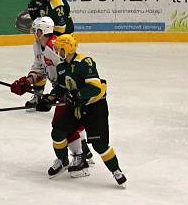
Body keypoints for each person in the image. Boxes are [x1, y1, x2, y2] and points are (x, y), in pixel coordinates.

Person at [36, 34, 126, 186]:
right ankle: (63, 160)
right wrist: (49, 99)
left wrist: (76, 94)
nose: (57, 51)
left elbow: (95, 87)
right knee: (57, 132)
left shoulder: (85, 62)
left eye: (60, 49)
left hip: (94, 107)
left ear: (68, 48)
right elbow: (61, 87)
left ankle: (116, 170)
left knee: (99, 145)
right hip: (76, 107)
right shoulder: (61, 66)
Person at [10, 17, 92, 172]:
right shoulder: (37, 45)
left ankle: (75, 157)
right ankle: (81, 153)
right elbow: (40, 68)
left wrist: (57, 94)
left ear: (42, 31)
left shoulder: (56, 47)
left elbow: (69, 68)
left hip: (71, 90)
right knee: (66, 126)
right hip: (60, 89)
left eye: (36, 30)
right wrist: (27, 81)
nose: (34, 33)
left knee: (62, 126)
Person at [24, 0, 73, 108]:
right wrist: (39, 29)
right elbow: (32, 9)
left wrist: (47, 42)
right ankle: (38, 95)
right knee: (41, 61)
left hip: (62, 36)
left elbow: (60, 31)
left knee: (55, 65)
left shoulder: (57, 6)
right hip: (45, 31)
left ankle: (60, 92)